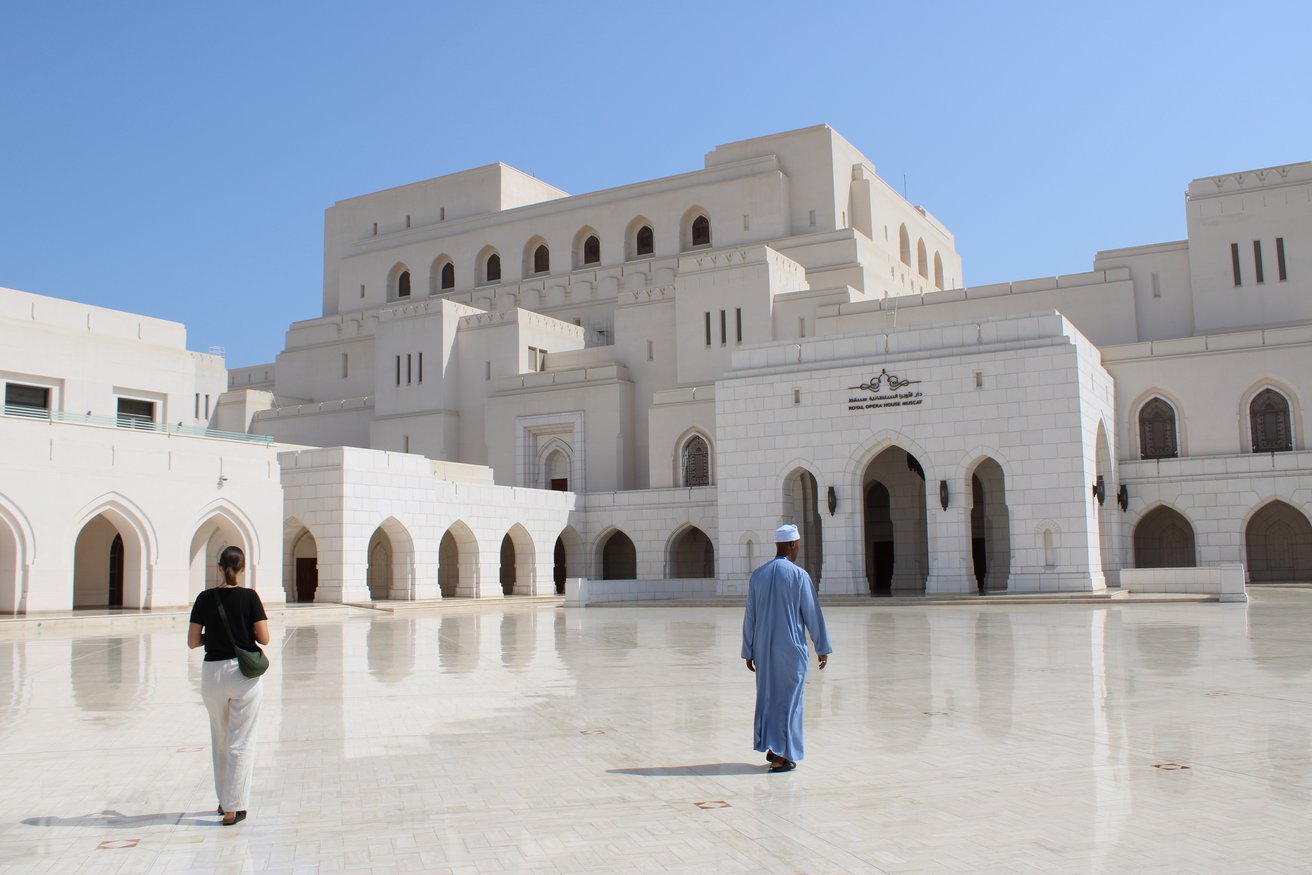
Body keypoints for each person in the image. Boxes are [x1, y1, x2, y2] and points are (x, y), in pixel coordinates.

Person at [187, 546, 269, 826]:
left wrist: (214, 636)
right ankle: (235, 807)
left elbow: (192, 641)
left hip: (212, 674)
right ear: (243, 568)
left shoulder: (204, 598)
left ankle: (224, 801)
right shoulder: (250, 597)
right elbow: (265, 637)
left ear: (219, 567)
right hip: (242, 676)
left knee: (220, 739)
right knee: (241, 742)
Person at [742, 523, 832, 772]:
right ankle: (781, 756)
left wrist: (748, 649)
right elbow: (811, 612)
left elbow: (750, 616)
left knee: (769, 698)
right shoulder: (798, 575)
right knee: (789, 701)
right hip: (790, 648)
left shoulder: (758, 575)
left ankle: (773, 746)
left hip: (762, 648)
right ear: (793, 544)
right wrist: (821, 646)